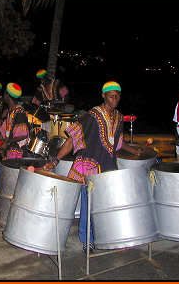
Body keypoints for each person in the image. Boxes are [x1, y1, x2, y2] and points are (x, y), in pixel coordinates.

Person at [43, 81, 142, 254]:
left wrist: (133, 149)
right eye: (111, 95)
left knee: (105, 205)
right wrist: (56, 159)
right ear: (103, 96)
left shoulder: (119, 117)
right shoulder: (92, 115)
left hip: (108, 166)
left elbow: (117, 143)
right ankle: (87, 240)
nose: (115, 98)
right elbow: (73, 139)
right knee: (88, 206)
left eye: (117, 95)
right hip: (90, 167)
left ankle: (106, 236)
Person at [0, 83, 30, 159]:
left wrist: (6, 143)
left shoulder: (19, 112)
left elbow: (22, 135)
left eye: (4, 93)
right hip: (11, 150)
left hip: (18, 152)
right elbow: (5, 134)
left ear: (7, 95)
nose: (3, 95)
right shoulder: (10, 112)